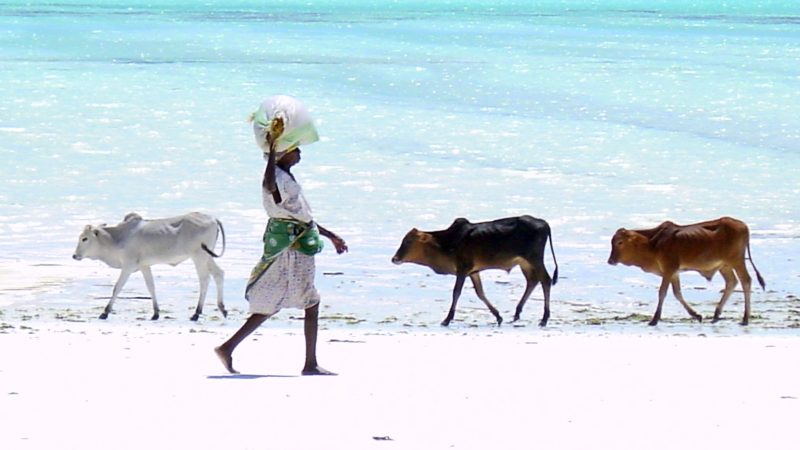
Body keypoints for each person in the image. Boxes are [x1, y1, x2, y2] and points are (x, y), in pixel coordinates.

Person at [215, 99, 347, 375]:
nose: (300, 154)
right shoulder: (276, 178)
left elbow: (301, 217)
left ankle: (228, 348)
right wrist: (274, 149)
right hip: (291, 249)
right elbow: (270, 187)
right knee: (308, 302)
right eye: (295, 149)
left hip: (293, 243)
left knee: (275, 304)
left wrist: (331, 235)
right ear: (284, 153)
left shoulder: (285, 177)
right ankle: (309, 364)